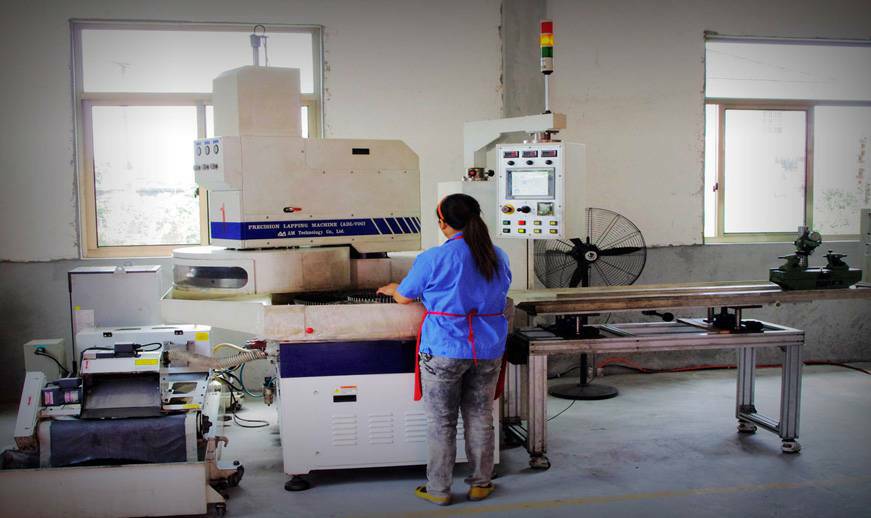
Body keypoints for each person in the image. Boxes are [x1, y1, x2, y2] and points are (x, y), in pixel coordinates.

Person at [377, 193, 512, 506]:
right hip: (488, 348)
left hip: (444, 349)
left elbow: (404, 297)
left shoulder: (434, 258)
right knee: (481, 418)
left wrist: (394, 289)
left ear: (443, 223)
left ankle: (439, 490)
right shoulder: (498, 255)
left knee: (442, 422)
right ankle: (481, 484)